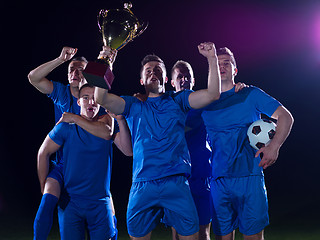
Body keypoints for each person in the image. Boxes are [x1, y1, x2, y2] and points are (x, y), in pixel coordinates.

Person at [94, 42, 221, 240]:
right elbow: (100, 98)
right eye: (148, 70)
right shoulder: (132, 104)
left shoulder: (179, 100)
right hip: (143, 184)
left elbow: (213, 94)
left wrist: (211, 58)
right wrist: (104, 61)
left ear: (165, 77)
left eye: (158, 69)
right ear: (142, 79)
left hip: (177, 182)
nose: (153, 72)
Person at [28, 47, 122, 239]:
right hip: (64, 165)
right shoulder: (62, 93)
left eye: (80, 69)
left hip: (91, 172)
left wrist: (107, 60)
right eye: (71, 68)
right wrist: (60, 59)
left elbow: (103, 85)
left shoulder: (96, 102)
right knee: (47, 203)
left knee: (108, 216)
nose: (75, 72)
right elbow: (33, 78)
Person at [201, 47, 294, 240]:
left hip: (250, 178)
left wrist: (274, 147)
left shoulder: (250, 94)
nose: (222, 66)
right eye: (217, 64)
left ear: (235, 70)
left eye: (227, 62)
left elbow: (285, 117)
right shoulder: (203, 103)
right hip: (219, 180)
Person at [37, 84, 132, 239]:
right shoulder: (66, 127)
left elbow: (128, 151)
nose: (91, 102)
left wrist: (121, 120)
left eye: (95, 98)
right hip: (71, 203)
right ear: (79, 102)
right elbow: (43, 152)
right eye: (86, 98)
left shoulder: (106, 121)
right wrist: (43, 184)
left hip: (100, 203)